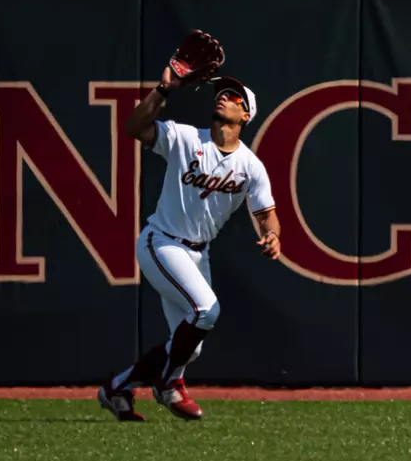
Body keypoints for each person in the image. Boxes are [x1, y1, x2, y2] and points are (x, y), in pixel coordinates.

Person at [98, 64, 281, 421]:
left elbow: (266, 214)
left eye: (234, 96)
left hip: (198, 254)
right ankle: (168, 387)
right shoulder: (184, 138)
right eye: (222, 92)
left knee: (187, 348)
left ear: (246, 114)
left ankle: (117, 387)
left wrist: (273, 234)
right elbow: (134, 128)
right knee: (206, 311)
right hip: (162, 242)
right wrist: (162, 91)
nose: (224, 96)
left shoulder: (251, 166)